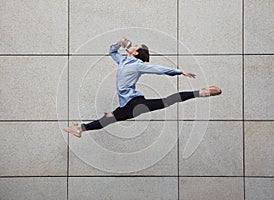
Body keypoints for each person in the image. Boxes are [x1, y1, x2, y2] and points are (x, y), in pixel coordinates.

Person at [64, 38, 222, 137]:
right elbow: (112, 52)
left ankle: (203, 92)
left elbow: (157, 69)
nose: (131, 46)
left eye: (135, 46)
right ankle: (80, 129)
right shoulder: (123, 61)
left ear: (136, 52)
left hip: (135, 104)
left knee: (168, 100)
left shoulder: (138, 65)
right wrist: (119, 43)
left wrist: (178, 71)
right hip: (127, 105)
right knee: (107, 119)